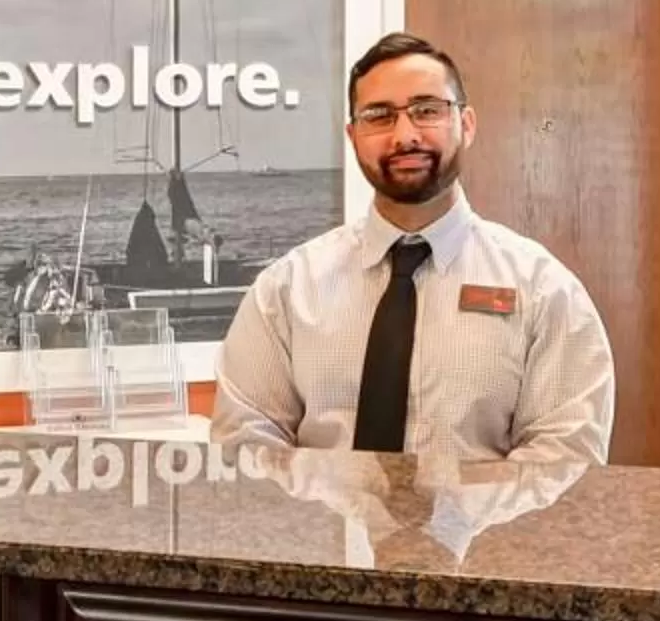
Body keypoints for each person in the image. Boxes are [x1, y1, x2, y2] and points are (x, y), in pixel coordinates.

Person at [212, 33, 615, 463]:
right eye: (379, 116)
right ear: (353, 136)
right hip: (324, 528)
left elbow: (566, 456)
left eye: (427, 111)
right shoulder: (287, 290)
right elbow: (246, 442)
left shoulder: (543, 290)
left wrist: (463, 522)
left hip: (483, 531)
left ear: (468, 124)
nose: (405, 135)